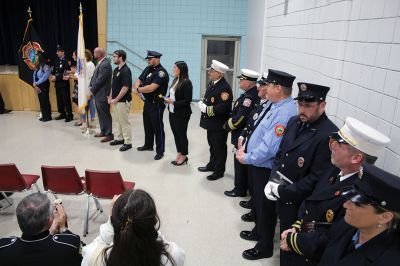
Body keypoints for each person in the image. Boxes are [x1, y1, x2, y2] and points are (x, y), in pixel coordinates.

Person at [279, 117, 391, 265]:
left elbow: (333, 237)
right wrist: (297, 226)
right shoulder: (334, 170)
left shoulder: (359, 195)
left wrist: (293, 240)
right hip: (304, 240)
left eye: (337, 144)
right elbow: (311, 203)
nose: (331, 146)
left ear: (356, 158)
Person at [263, 82, 338, 265]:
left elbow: (316, 178)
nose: (302, 109)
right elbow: (281, 153)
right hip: (281, 190)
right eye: (300, 104)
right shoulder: (294, 122)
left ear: (322, 105)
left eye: (308, 106)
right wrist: (274, 179)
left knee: (292, 246)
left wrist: (283, 191)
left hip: (300, 202)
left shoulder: (328, 134)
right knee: (282, 238)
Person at [236, 69, 297, 260]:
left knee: (265, 209)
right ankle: (258, 231)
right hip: (257, 163)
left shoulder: (284, 112)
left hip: (265, 167)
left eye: (268, 85)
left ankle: (264, 246)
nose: (264, 88)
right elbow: (258, 129)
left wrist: (246, 157)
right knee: (258, 203)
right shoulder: (275, 104)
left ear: (278, 88)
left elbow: (269, 148)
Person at [318, 163, 400, 265]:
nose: (345, 205)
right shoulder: (348, 226)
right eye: (349, 199)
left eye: (357, 203)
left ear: (384, 217)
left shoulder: (389, 260)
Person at [81, 189, 185, 266]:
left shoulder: (95, 257)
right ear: (152, 221)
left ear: (115, 223)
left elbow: (99, 242)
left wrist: (111, 219)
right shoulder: (174, 254)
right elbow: (158, 239)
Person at [0, 193, 82, 266]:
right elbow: (84, 255)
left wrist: (51, 231)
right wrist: (63, 228)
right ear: (50, 221)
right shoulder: (69, 244)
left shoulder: (3, 247)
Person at [224, 68, 260, 197]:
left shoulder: (249, 97)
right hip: (244, 134)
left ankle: (239, 189)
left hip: (241, 134)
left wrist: (227, 126)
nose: (240, 81)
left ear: (249, 82)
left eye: (242, 79)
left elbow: (240, 118)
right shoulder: (249, 93)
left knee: (240, 164)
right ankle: (243, 187)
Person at [197, 60, 233, 180]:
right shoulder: (213, 83)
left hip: (219, 124)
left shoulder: (224, 88)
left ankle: (219, 171)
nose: (209, 73)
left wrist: (207, 109)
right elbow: (210, 99)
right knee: (212, 145)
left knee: (219, 148)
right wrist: (203, 103)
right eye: (210, 70)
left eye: (212, 71)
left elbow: (223, 107)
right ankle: (212, 165)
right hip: (212, 124)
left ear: (219, 74)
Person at [133, 50, 169, 160]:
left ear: (157, 59)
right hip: (147, 103)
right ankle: (148, 145)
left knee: (158, 128)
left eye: (150, 58)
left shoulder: (161, 73)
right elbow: (138, 80)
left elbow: (151, 88)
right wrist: (138, 87)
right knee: (147, 125)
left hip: (156, 104)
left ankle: (160, 151)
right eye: (148, 59)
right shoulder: (148, 68)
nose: (148, 60)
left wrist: (138, 89)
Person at [165, 61, 193, 166]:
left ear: (180, 69)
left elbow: (187, 100)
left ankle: (184, 155)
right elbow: (171, 93)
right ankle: (179, 152)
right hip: (172, 111)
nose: (173, 69)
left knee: (181, 135)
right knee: (176, 134)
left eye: (175, 68)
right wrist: (167, 98)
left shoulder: (187, 82)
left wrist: (173, 102)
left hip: (182, 114)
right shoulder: (175, 79)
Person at [108, 50, 133, 152]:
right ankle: (119, 138)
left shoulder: (126, 70)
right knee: (117, 121)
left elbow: (125, 87)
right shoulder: (116, 70)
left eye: (115, 56)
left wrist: (116, 99)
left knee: (124, 122)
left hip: (122, 101)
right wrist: (110, 97)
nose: (113, 58)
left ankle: (128, 142)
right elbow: (113, 85)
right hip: (115, 101)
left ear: (121, 58)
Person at [90, 47, 113, 143]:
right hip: (98, 93)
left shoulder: (105, 64)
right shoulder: (101, 62)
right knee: (100, 113)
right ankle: (103, 130)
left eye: (95, 52)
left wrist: (92, 89)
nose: (93, 54)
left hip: (102, 93)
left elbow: (100, 80)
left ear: (100, 54)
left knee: (105, 113)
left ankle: (109, 134)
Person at [71, 50, 96, 127]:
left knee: (90, 104)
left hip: (87, 88)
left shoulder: (89, 64)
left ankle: (91, 121)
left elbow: (81, 76)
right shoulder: (85, 64)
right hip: (83, 87)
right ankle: (84, 121)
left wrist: (74, 74)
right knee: (83, 104)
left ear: (86, 56)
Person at [49, 45, 73, 122]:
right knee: (59, 100)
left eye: (58, 51)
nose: (57, 53)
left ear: (63, 52)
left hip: (64, 84)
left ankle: (69, 115)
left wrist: (56, 77)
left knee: (66, 100)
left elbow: (65, 73)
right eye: (57, 51)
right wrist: (52, 76)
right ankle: (62, 113)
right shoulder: (56, 61)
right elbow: (53, 71)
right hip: (57, 84)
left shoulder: (67, 61)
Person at [33, 53, 52, 122]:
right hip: (38, 85)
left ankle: (48, 116)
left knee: (45, 100)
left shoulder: (46, 66)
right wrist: (35, 83)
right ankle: (44, 115)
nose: (36, 58)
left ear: (41, 57)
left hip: (44, 85)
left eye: (37, 57)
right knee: (41, 100)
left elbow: (44, 77)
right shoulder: (38, 66)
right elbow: (34, 74)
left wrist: (36, 83)